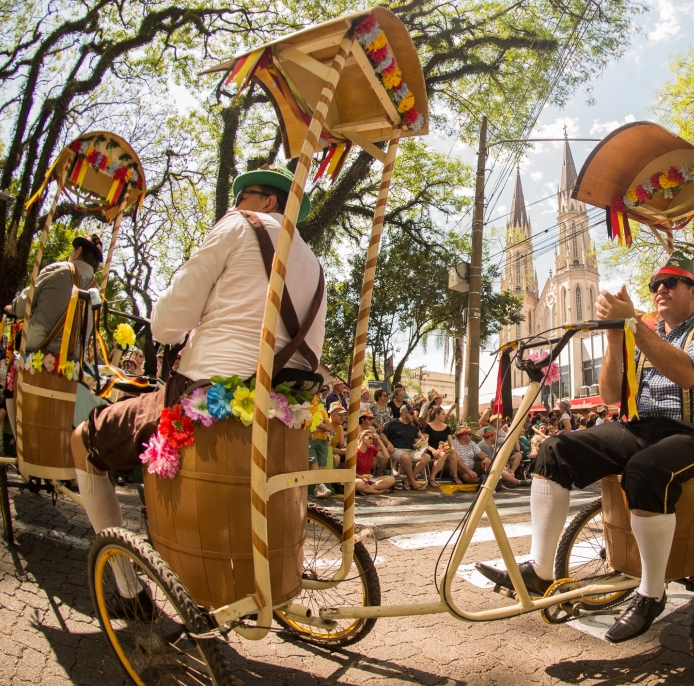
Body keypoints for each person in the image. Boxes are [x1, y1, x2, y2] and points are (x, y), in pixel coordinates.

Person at [68, 167, 325, 614]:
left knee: (82, 441)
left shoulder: (237, 227)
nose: (234, 207)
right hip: (282, 415)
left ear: (267, 203)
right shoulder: (313, 263)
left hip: (201, 402)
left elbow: (167, 323)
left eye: (242, 197)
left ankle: (130, 590)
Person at [475, 251, 694, 643]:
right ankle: (539, 568)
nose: (660, 290)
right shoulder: (649, 335)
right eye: (654, 285)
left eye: (670, 283)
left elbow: (686, 373)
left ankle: (651, 593)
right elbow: (611, 394)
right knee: (554, 451)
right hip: (644, 427)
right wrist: (616, 336)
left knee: (645, 470)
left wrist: (633, 324)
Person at [382, 404, 432, 490]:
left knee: (426, 457)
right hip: (396, 449)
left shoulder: (413, 426)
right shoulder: (393, 423)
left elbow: (416, 440)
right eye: (411, 413)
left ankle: (408, 479)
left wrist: (422, 444)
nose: (414, 415)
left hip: (410, 450)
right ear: (404, 414)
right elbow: (382, 435)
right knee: (405, 457)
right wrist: (389, 443)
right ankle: (412, 482)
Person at [352, 429, 396, 495]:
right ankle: (377, 492)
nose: (371, 441)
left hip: (370, 478)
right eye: (369, 438)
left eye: (372, 439)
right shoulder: (355, 451)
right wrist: (361, 477)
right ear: (362, 438)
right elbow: (351, 471)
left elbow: (386, 456)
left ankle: (366, 490)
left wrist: (379, 441)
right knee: (357, 483)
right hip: (359, 478)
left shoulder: (371, 448)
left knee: (391, 479)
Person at [423, 406, 455, 487]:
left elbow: (451, 442)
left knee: (453, 455)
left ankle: (455, 477)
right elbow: (424, 443)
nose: (445, 416)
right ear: (437, 415)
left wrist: (453, 448)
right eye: (443, 414)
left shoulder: (446, 427)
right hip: (431, 451)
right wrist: (433, 450)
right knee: (442, 455)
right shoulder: (428, 426)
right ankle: (431, 479)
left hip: (443, 450)